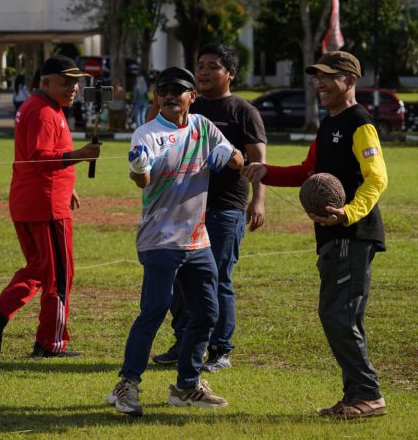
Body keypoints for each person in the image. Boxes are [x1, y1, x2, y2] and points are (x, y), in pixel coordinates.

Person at [242, 51, 388, 419]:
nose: (320, 83)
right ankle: (357, 395)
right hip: (333, 236)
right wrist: (266, 172)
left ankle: (368, 395)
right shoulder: (328, 124)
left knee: (339, 315)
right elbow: (309, 171)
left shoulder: (360, 123)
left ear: (350, 81)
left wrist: (349, 213)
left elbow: (377, 178)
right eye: (317, 77)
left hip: (352, 234)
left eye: (329, 77)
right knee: (340, 316)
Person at [106, 67, 244, 417]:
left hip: (197, 240)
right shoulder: (147, 133)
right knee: (153, 310)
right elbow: (142, 177)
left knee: (207, 313)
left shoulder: (203, 127)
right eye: (163, 91)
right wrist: (138, 168)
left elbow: (239, 159)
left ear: (191, 97)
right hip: (160, 239)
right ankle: (126, 385)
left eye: (178, 90)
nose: (169, 96)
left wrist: (228, 157)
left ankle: (186, 385)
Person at [149, 44, 267, 373]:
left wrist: (258, 200)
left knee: (216, 280)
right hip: (180, 209)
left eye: (213, 66)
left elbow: (258, 160)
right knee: (177, 280)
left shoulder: (243, 111)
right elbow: (153, 135)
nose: (203, 71)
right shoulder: (184, 106)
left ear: (230, 74)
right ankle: (185, 341)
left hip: (224, 209)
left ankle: (219, 350)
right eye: (200, 65)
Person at [0, 55, 101, 358]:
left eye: (75, 82)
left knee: (38, 269)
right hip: (46, 207)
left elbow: (41, 155)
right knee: (60, 277)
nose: (73, 88)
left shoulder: (42, 107)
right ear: (45, 83)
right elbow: (39, 157)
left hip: (30, 200)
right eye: (65, 82)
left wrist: (68, 185)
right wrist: (80, 155)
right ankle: (50, 343)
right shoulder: (45, 111)